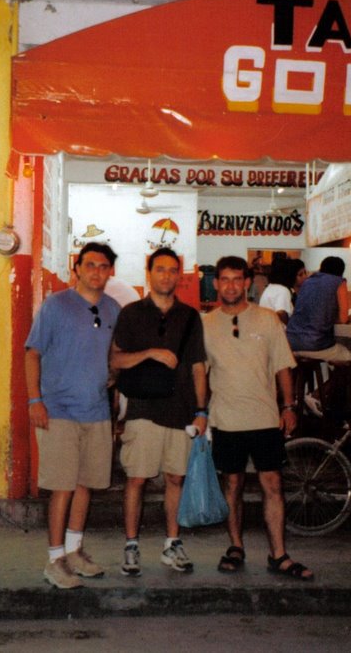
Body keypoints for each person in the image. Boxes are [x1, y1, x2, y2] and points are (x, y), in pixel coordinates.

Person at [203, 255, 313, 581]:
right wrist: (197, 413)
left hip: (265, 418)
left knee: (273, 485)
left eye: (238, 279)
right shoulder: (205, 324)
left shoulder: (268, 320)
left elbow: (282, 366)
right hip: (225, 419)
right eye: (225, 279)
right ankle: (235, 546)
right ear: (216, 283)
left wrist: (289, 406)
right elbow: (198, 374)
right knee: (232, 485)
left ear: (248, 283)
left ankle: (278, 554)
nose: (231, 285)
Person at [24, 242, 121, 589]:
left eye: (104, 266)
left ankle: (75, 551)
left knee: (85, 485)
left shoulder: (112, 310)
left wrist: (113, 378)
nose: (97, 271)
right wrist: (35, 399)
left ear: (111, 271)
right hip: (58, 409)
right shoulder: (56, 305)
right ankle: (55, 560)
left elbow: (113, 357)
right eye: (90, 264)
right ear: (77, 268)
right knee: (62, 487)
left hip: (96, 410)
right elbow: (32, 354)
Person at [110, 247, 207, 576]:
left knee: (176, 479)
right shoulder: (132, 313)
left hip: (181, 411)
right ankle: (131, 545)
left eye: (172, 270)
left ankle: (172, 544)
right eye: (160, 269)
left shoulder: (190, 317)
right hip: (143, 410)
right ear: (148, 273)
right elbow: (115, 360)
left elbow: (198, 367)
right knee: (136, 479)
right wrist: (152, 352)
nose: (166, 275)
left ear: (179, 275)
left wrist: (202, 410)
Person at [286, 256, 351, 363]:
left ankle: (326, 380)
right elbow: (343, 319)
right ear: (341, 271)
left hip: (290, 343)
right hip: (315, 344)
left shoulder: (307, 282)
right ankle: (333, 380)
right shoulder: (339, 282)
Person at [259, 258, 307, 323]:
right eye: (300, 275)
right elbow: (281, 312)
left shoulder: (272, 287)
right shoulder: (282, 290)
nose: (305, 277)